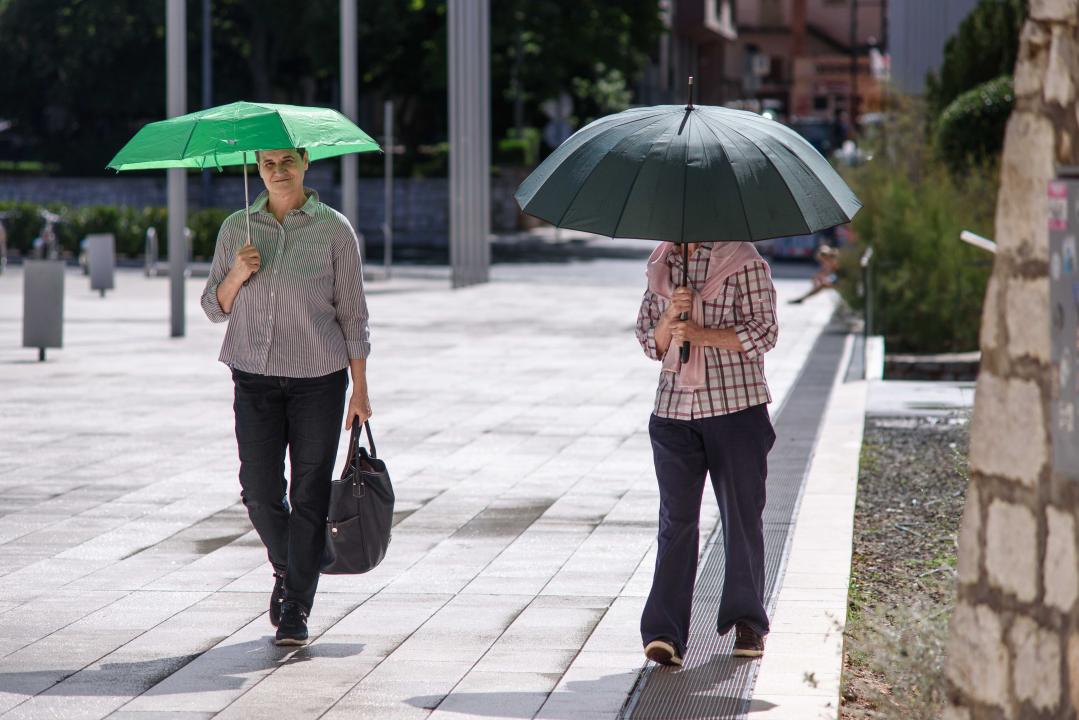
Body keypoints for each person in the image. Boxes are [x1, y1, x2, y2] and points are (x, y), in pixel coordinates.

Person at [201, 147, 371, 647]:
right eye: (269, 164)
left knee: (309, 494)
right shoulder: (237, 228)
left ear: (305, 164)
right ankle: (291, 565)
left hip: (319, 379)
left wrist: (360, 389)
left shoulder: (335, 230)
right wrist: (236, 273)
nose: (278, 172)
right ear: (257, 169)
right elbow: (214, 307)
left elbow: (353, 315)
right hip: (252, 376)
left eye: (287, 162)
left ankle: (295, 605)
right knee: (257, 489)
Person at [635, 240, 778, 665]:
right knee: (675, 521)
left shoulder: (744, 261)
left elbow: (764, 332)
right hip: (672, 411)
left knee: (741, 516)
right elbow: (649, 341)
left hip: (736, 409)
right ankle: (665, 633)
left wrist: (700, 334)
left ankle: (748, 622)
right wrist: (669, 318)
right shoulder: (663, 264)